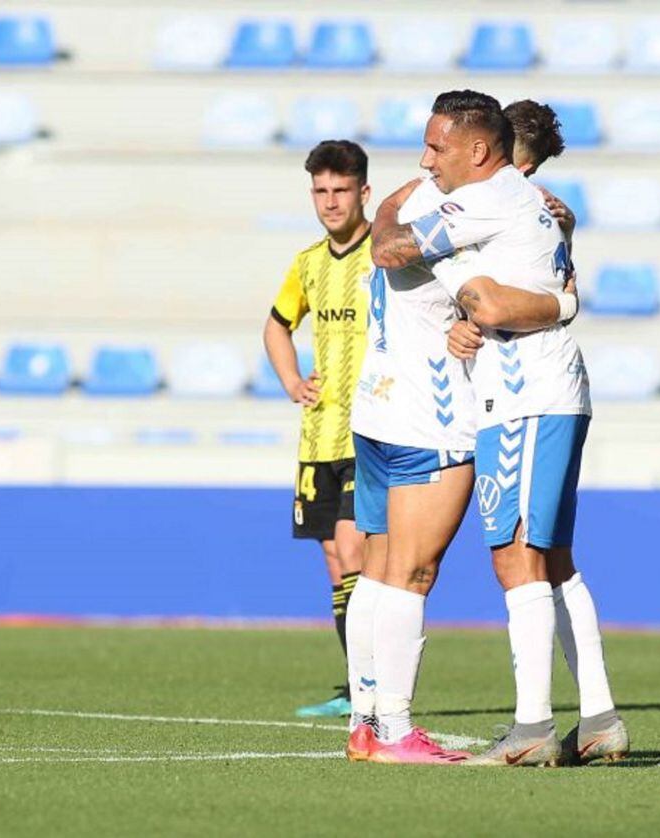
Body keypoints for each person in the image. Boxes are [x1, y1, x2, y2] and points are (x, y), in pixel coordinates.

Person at [344, 91, 577, 764]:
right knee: (410, 576)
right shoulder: (477, 208)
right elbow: (447, 276)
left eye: (434, 148)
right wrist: (561, 302)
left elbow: (385, 231)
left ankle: (365, 721)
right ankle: (392, 729)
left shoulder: (414, 200)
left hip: (377, 404)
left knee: (380, 569)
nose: (426, 160)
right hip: (432, 412)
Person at [443, 101, 627, 766]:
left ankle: (531, 728)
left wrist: (482, 311)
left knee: (515, 555)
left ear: (502, 156)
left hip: (525, 394)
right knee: (552, 559)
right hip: (549, 387)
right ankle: (600, 718)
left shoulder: (511, 205)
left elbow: (505, 300)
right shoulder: (546, 215)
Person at [264, 140, 373, 717]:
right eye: (321, 191)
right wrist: (291, 382)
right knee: (334, 558)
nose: (331, 202)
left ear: (363, 192)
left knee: (355, 550)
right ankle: (359, 685)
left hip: (370, 432)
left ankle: (374, 686)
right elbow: (276, 325)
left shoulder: (387, 253)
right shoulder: (308, 263)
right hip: (318, 434)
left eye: (341, 189)